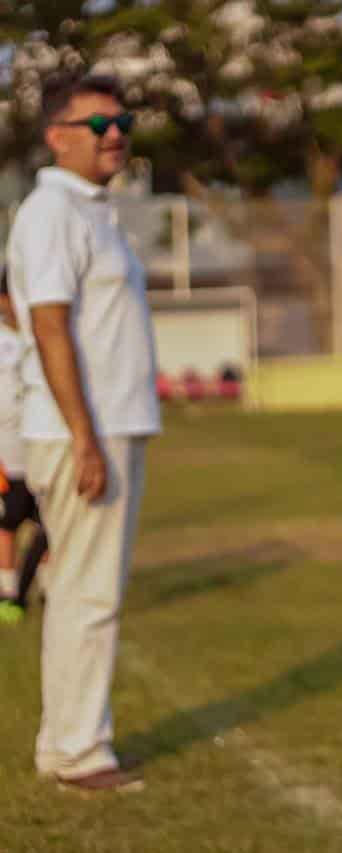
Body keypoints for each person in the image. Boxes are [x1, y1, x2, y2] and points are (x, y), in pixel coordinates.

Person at [5, 73, 159, 793]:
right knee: (88, 594)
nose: (116, 133)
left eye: (122, 119)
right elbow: (49, 325)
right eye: (99, 123)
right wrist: (85, 438)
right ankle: (77, 750)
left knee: (84, 590)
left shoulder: (95, 211)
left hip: (107, 427)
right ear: (56, 135)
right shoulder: (49, 213)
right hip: (81, 433)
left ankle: (67, 743)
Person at [0, 267, 49, 625]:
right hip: (6, 454)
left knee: (50, 523)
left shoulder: (40, 334)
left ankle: (47, 587)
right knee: (7, 524)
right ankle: (8, 591)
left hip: (42, 449)